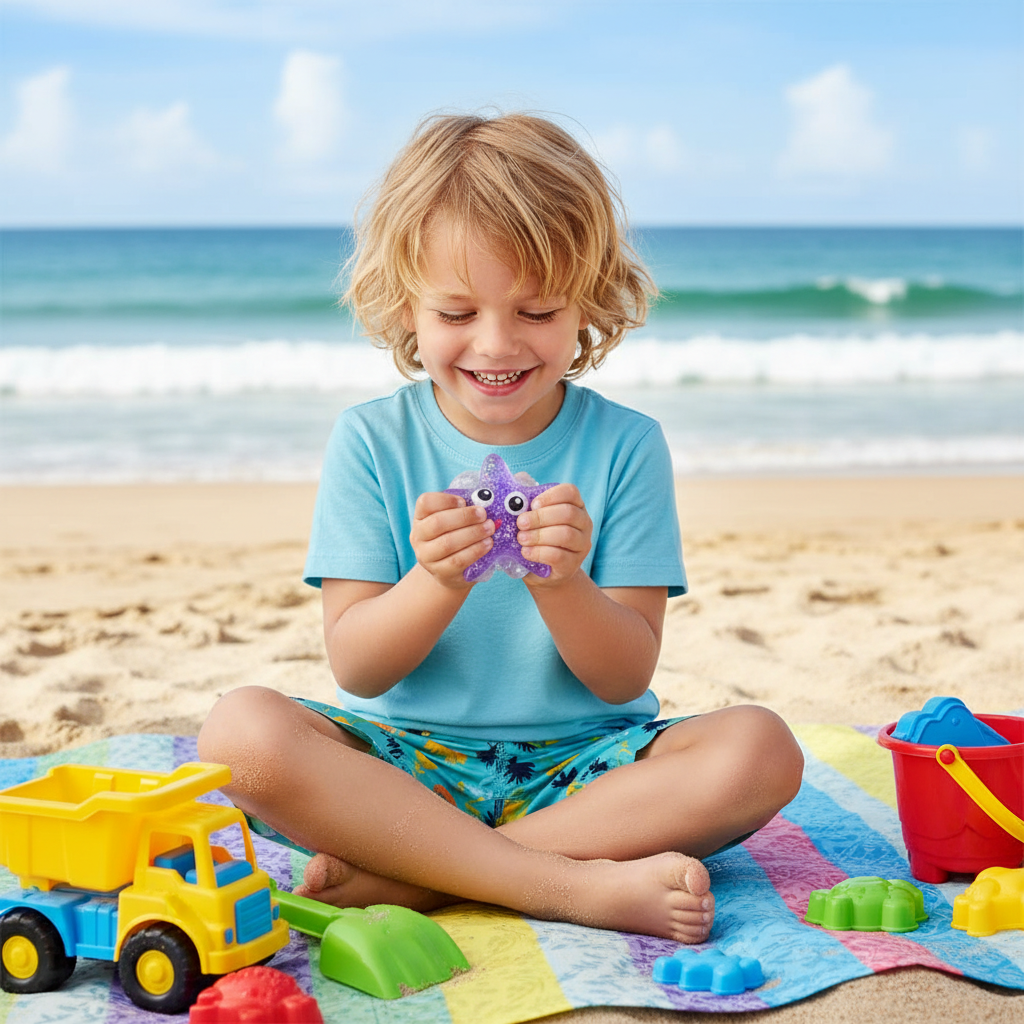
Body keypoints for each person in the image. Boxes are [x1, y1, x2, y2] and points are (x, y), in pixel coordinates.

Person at [198, 112, 803, 943]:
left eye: (537, 310)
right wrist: (436, 581)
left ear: (586, 304)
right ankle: (559, 887)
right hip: (402, 769)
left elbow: (623, 678)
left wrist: (564, 584)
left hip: (586, 775)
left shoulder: (626, 445)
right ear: (404, 306)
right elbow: (360, 667)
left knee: (761, 749)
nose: (496, 343)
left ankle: (428, 879)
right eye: (456, 313)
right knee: (241, 732)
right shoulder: (372, 440)